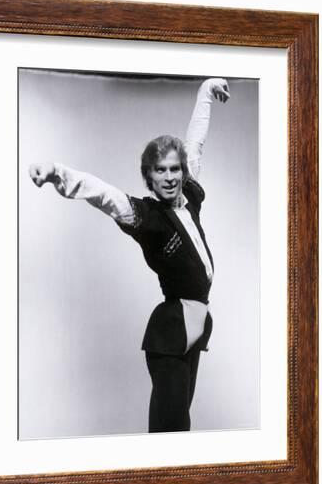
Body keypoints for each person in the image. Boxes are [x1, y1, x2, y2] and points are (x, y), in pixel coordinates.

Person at [29, 77, 230, 433]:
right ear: (149, 179)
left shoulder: (192, 198)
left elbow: (194, 144)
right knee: (171, 428)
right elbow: (105, 195)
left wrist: (205, 94)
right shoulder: (149, 217)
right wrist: (57, 173)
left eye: (174, 169)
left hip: (194, 330)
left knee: (182, 421)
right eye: (159, 171)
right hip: (169, 333)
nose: (169, 177)